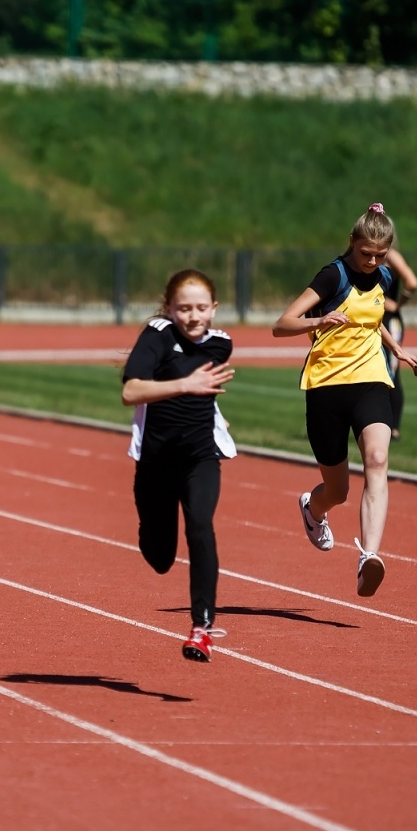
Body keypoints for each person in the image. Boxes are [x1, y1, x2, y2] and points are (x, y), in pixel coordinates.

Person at [274, 203, 417, 598]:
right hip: (325, 385)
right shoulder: (332, 275)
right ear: (352, 243)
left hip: (371, 379)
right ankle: (313, 508)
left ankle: (368, 557)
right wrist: (318, 320)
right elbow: (281, 324)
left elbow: (372, 323)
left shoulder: (385, 276)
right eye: (366, 253)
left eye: (380, 254)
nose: (373, 261)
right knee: (337, 490)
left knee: (377, 459)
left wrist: (398, 350)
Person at [122, 270, 236, 662]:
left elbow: (205, 395)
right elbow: (130, 391)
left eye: (202, 308)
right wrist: (185, 385)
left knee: (201, 525)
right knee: (160, 558)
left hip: (200, 458)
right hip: (156, 463)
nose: (193, 316)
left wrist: (215, 414)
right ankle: (148, 528)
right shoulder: (157, 336)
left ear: (214, 309)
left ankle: (202, 628)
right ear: (169, 308)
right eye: (184, 308)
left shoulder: (221, 345)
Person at [380, 246, 417, 440]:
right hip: (372, 318)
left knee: (392, 371)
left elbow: (412, 282)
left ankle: (394, 428)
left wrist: (397, 304)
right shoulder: (371, 255)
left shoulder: (391, 255)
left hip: (389, 319)